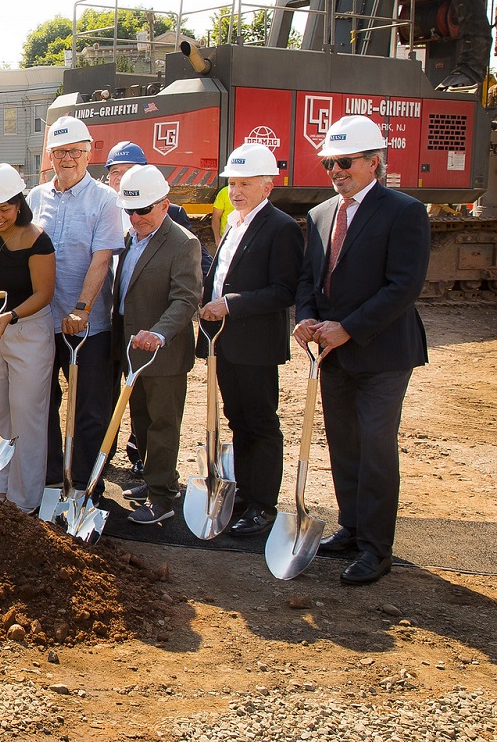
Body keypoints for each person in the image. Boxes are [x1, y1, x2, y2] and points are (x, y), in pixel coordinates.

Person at [294, 115, 430, 585]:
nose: (336, 170)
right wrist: (305, 318)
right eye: (331, 162)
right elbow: (309, 280)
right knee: (345, 445)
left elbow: (403, 287)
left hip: (383, 353)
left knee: (374, 447)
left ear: (375, 162)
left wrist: (348, 328)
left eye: (345, 161)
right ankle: (352, 527)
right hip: (333, 352)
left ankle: (376, 548)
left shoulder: (404, 211)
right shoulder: (319, 214)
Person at [198, 142, 303, 537]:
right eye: (233, 183)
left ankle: (262, 505)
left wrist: (231, 304)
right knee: (237, 419)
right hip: (226, 343)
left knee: (260, 422)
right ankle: (244, 492)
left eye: (245, 184)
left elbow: (284, 290)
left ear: (267, 187)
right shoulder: (235, 223)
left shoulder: (281, 228)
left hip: (256, 345)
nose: (236, 191)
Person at [29, 116, 126, 492]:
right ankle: (51, 479)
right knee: (44, 406)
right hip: (41, 323)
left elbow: (101, 258)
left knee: (89, 410)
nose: (67, 158)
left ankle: (86, 485)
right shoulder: (34, 199)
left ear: (88, 154)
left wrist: (82, 308)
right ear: (50, 155)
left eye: (75, 151)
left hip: (89, 327)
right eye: (60, 151)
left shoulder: (105, 201)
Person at [111, 164, 204, 525]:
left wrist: (160, 334)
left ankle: (163, 498)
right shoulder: (130, 238)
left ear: (164, 205)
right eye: (130, 211)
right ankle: (153, 481)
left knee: (163, 425)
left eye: (144, 210)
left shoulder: (183, 243)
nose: (136, 217)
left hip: (162, 356)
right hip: (133, 351)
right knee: (143, 422)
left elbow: (185, 299)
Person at [0, 164, 55, 511]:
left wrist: (12, 315)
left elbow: (43, 293)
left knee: (26, 415)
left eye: (5, 208)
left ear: (19, 204)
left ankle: (24, 499)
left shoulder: (38, 240)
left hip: (28, 330)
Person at [105, 141, 213, 281]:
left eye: (129, 170)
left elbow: (197, 256)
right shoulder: (102, 212)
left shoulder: (171, 212)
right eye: (115, 172)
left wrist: (206, 287)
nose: (122, 177)